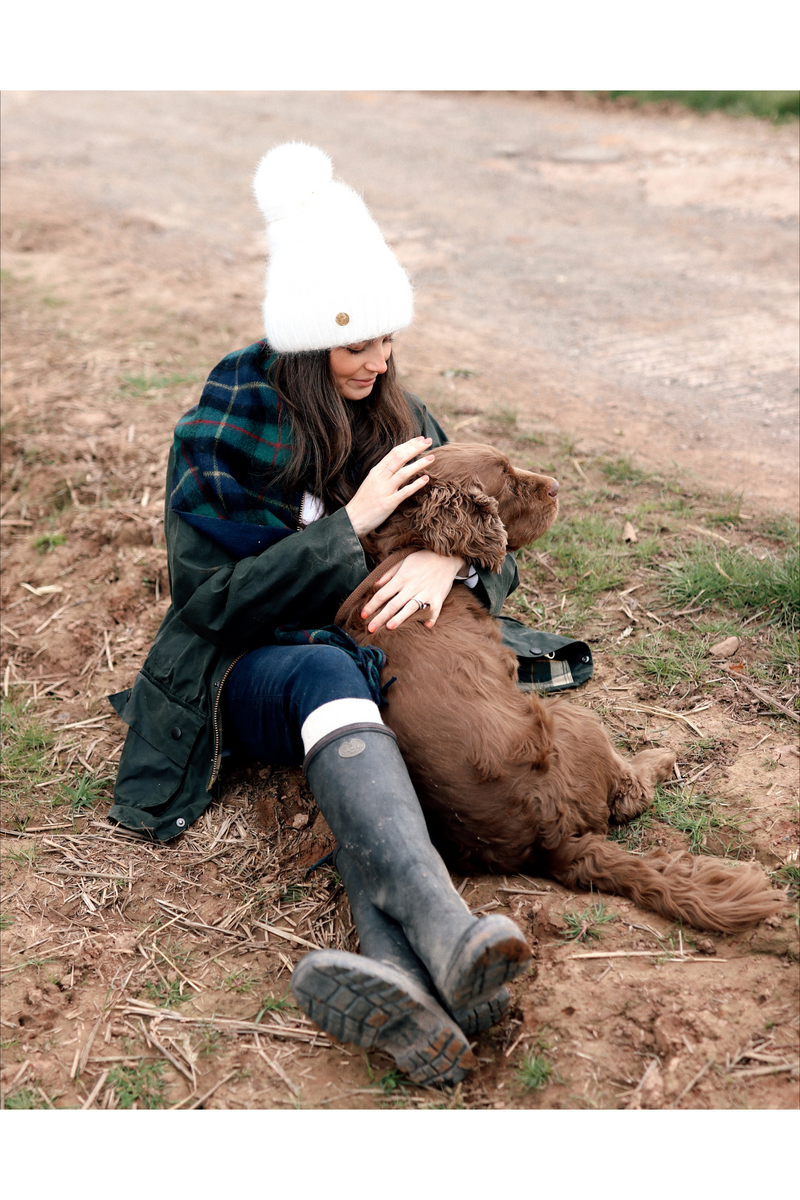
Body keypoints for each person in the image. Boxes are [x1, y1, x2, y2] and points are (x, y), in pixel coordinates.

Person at [108, 142, 530, 1088]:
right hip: (249, 667)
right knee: (329, 670)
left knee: (363, 680)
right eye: (353, 344)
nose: (377, 364)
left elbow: (491, 538)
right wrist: (357, 523)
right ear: (303, 344)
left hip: (361, 671)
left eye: (387, 340)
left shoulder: (397, 408)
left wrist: (443, 552)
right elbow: (209, 602)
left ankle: (405, 974)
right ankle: (449, 927)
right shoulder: (226, 423)